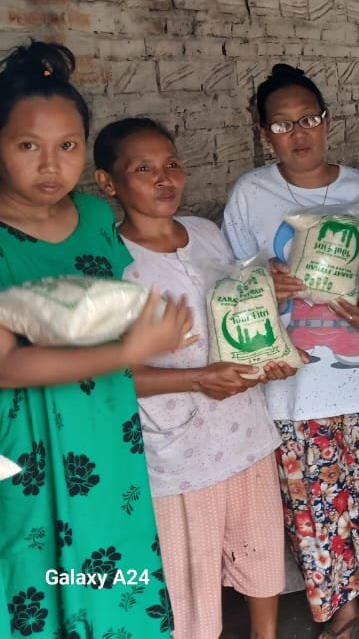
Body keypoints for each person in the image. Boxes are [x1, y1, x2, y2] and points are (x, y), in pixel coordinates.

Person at [222, 64, 359, 639]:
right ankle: (341, 606)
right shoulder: (251, 194)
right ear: (263, 131)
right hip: (293, 384)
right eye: (283, 124)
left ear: (328, 120)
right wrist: (263, 281)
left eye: (310, 119)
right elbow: (228, 283)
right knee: (317, 510)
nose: (300, 134)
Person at [0, 42, 193, 638]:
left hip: (103, 433)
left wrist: (148, 324)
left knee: (113, 570)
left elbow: (108, 307)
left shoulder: (92, 217)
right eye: (28, 146)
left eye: (68, 147)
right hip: (19, 444)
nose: (51, 165)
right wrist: (127, 353)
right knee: (29, 576)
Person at [94, 117, 296, 639]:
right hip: (176, 452)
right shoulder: (111, 263)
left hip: (244, 431)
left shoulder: (206, 234)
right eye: (144, 169)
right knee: (190, 580)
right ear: (107, 182)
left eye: (172, 165)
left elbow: (235, 314)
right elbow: (110, 374)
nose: (165, 179)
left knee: (260, 552)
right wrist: (196, 379)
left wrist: (268, 316)